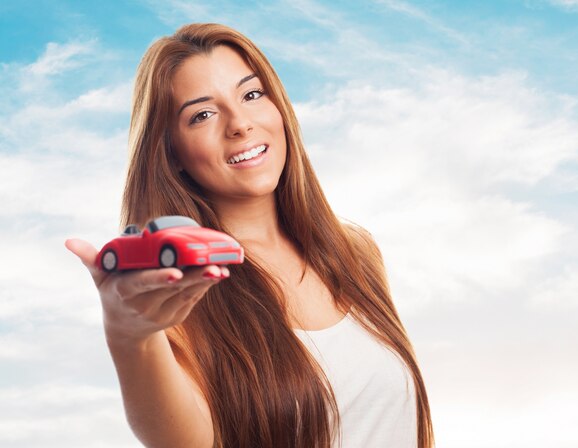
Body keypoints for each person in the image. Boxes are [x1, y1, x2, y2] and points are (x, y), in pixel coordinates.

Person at [65, 23, 434, 448]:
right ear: (172, 153)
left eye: (252, 94)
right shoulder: (182, 289)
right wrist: (131, 337)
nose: (240, 123)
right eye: (202, 114)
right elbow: (183, 441)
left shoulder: (355, 253)